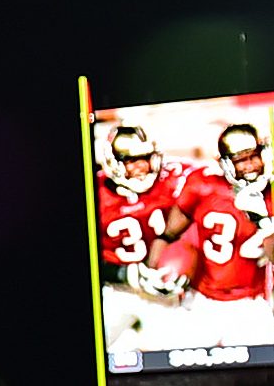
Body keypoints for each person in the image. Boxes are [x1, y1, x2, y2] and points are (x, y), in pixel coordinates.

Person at [149, 123, 274, 346]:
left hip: (251, 303)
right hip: (203, 300)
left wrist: (264, 221)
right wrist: (153, 274)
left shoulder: (271, 191)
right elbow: (167, 235)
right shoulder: (202, 185)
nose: (249, 166)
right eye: (240, 160)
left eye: (253, 157)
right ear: (225, 163)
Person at [96, 126, 193, 351]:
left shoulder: (173, 180)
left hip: (163, 285)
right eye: (131, 161)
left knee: (179, 353)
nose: (141, 167)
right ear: (113, 162)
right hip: (115, 290)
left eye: (145, 158)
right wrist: (127, 274)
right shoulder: (95, 192)